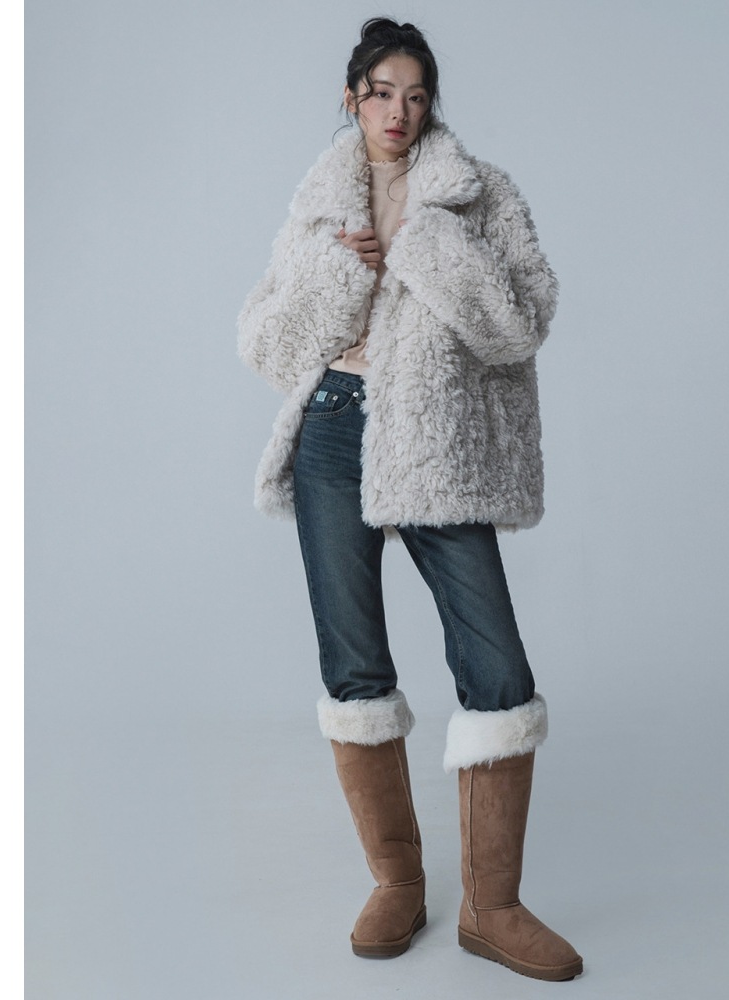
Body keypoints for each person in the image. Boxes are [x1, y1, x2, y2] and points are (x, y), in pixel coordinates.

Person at [238, 17, 582, 983]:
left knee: (496, 664)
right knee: (353, 665)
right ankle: (397, 882)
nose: (399, 111)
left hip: (432, 436)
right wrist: (338, 274)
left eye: (417, 95)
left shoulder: (476, 194)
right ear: (352, 97)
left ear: (431, 105)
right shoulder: (318, 203)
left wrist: (430, 252)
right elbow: (265, 342)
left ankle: (493, 908)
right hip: (333, 430)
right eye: (382, 92)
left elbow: (522, 323)